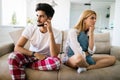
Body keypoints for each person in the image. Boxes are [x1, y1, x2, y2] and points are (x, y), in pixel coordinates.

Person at [8, 3, 62, 80]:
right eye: (37, 15)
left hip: (45, 59)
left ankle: (28, 65)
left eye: (41, 16)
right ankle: (28, 63)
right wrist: (35, 54)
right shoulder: (31, 28)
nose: (37, 19)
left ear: (49, 18)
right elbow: (17, 47)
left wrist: (50, 32)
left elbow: (54, 55)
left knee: (57, 62)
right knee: (12, 57)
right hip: (30, 56)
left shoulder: (57, 33)